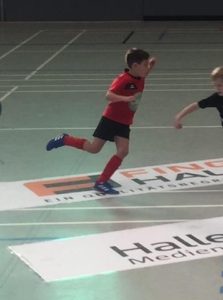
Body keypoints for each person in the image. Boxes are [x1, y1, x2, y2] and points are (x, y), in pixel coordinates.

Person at [45, 48, 157, 194]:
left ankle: (101, 181)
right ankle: (65, 139)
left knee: (123, 151)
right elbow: (108, 95)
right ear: (135, 66)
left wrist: (150, 65)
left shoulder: (140, 76)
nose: (147, 68)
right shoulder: (123, 80)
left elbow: (145, 73)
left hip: (125, 121)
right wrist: (125, 98)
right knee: (94, 148)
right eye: (145, 65)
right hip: (110, 119)